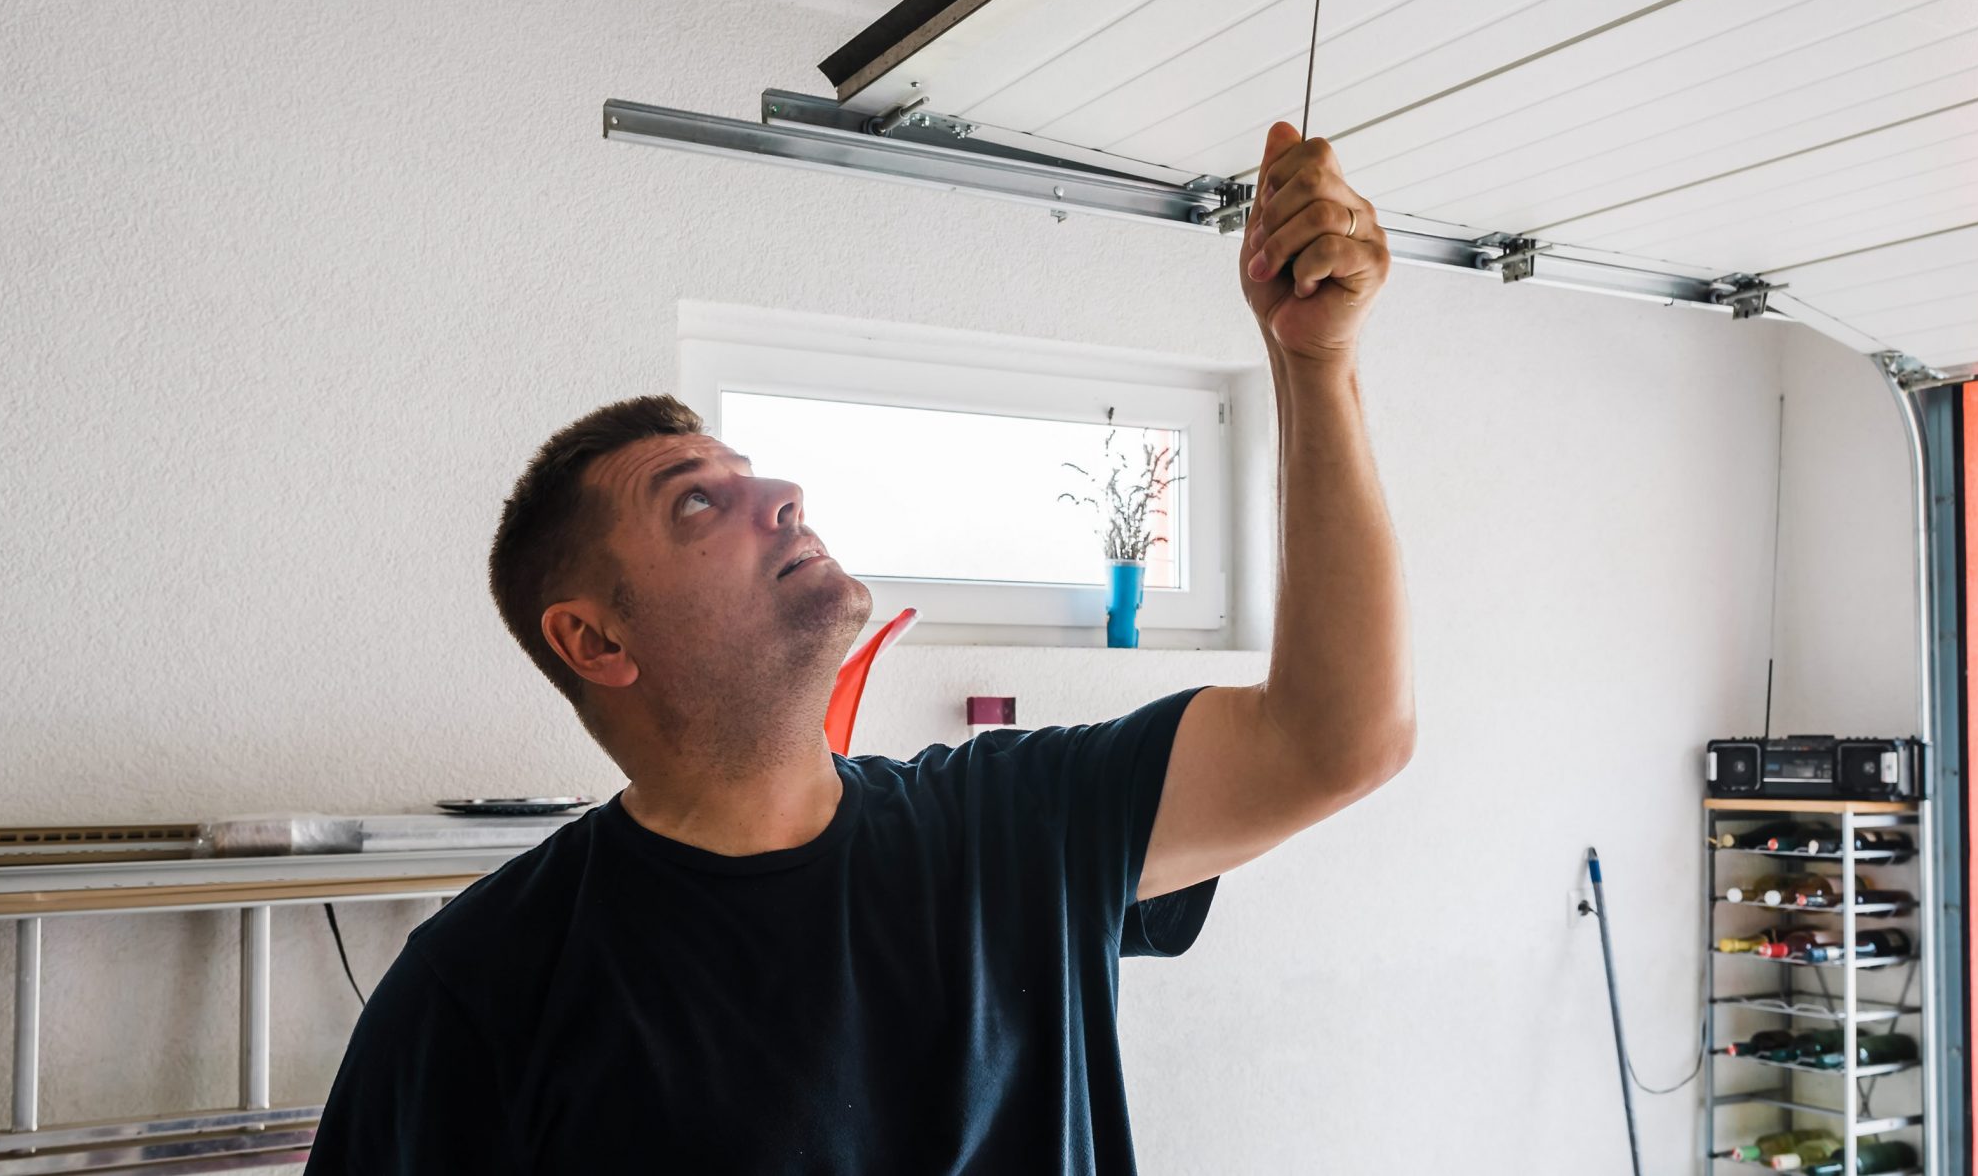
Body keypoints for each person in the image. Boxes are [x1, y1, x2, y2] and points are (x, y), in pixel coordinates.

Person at [305, 122, 1413, 1174]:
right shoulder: (483, 990)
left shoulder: (1017, 827)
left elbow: (1336, 739)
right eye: (698, 505)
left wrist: (1314, 367)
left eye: (757, 475)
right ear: (595, 639)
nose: (783, 496)